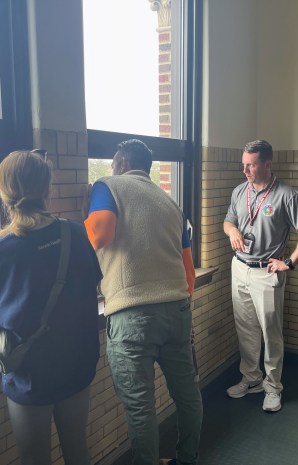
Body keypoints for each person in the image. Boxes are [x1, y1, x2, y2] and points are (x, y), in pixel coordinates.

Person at [0, 150, 102, 465]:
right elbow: (92, 283)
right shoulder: (77, 233)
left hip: (31, 374)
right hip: (76, 363)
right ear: (47, 189)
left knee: (34, 459)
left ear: (4, 193)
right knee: (77, 449)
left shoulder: (1, 251)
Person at [83, 139, 202, 465]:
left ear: (120, 162)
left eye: (112, 164)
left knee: (140, 405)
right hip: (177, 309)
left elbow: (100, 235)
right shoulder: (170, 202)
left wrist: (87, 211)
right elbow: (188, 272)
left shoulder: (108, 186)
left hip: (132, 314)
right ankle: (186, 459)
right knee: (188, 396)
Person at [223, 139, 298, 413]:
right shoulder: (240, 191)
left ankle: (273, 387)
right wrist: (233, 231)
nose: (245, 171)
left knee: (270, 331)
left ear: (267, 164)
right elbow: (228, 220)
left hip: (267, 271)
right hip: (240, 267)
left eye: (251, 165)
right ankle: (251, 379)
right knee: (245, 328)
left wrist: (289, 262)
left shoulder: (286, 195)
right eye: (244, 165)